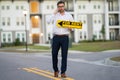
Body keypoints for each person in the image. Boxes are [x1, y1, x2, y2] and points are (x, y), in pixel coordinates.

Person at [47, 0, 73, 78]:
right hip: (56, 37)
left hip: (65, 37)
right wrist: (54, 13)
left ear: (64, 6)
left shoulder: (69, 16)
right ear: (57, 7)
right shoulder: (55, 15)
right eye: (59, 6)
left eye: (62, 6)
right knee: (54, 54)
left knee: (64, 55)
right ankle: (55, 70)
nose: (61, 8)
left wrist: (70, 28)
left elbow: (73, 28)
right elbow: (48, 21)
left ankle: (63, 72)